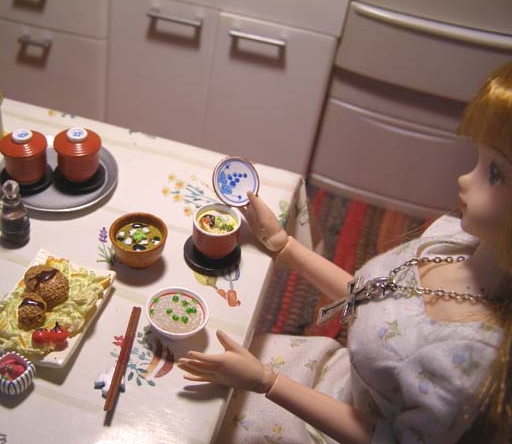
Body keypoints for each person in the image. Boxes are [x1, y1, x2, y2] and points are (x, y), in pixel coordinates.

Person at [179, 61, 512, 444]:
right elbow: (372, 298)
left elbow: (386, 438)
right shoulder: (452, 239)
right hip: (342, 374)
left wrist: (267, 382)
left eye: (495, 173)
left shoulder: (468, 367)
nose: (464, 178)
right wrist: (284, 245)